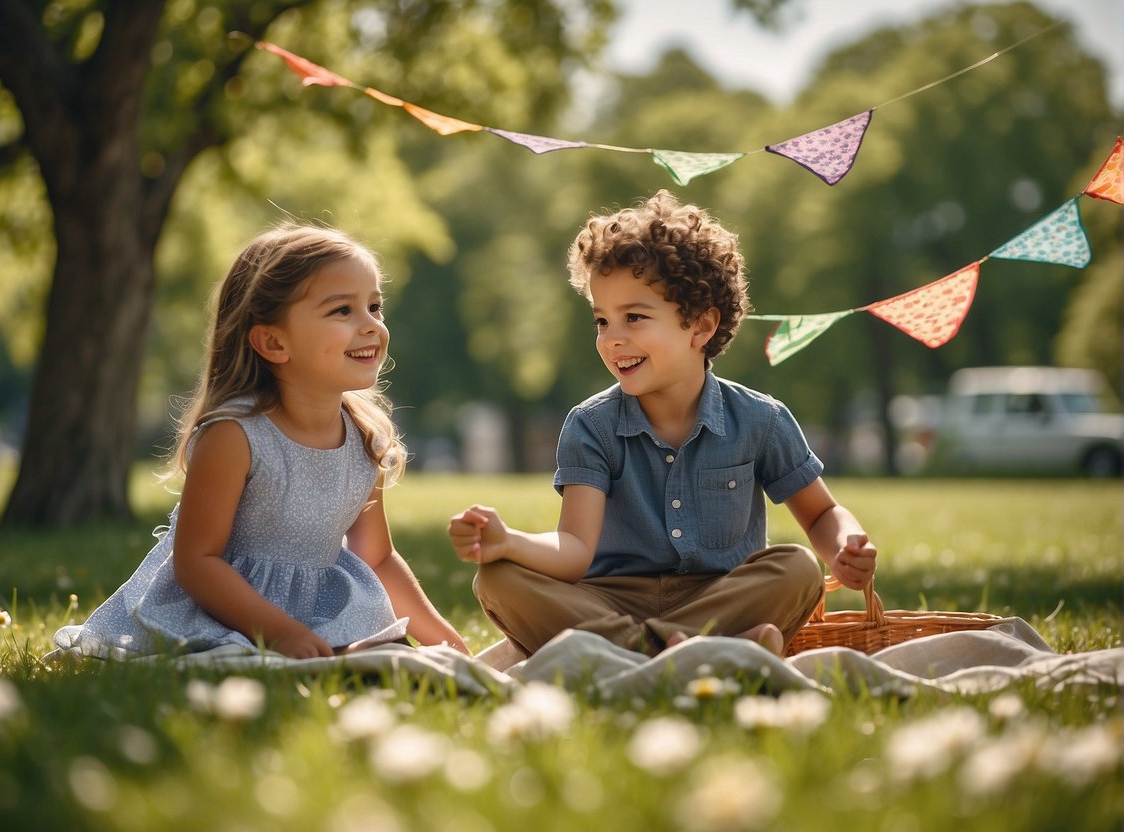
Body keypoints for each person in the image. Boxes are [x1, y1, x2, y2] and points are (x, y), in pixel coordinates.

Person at [448, 191, 876, 659]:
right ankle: (699, 653)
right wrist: (507, 541)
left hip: (721, 599)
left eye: (633, 317)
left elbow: (819, 514)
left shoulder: (760, 419)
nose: (613, 340)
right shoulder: (591, 427)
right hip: (609, 601)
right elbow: (572, 549)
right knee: (498, 576)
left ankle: (634, 657)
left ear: (700, 327)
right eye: (601, 321)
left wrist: (844, 544)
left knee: (798, 567)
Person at [53, 223, 467, 660]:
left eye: (374, 307)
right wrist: (279, 632)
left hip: (315, 609)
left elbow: (378, 558)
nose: (371, 326)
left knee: (392, 657)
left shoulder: (366, 438)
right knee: (235, 658)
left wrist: (446, 639)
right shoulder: (235, 436)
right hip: (220, 609)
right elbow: (197, 562)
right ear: (273, 342)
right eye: (342, 311)